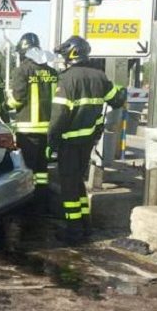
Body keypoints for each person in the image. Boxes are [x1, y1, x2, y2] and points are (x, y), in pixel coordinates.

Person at [48, 36, 126, 244]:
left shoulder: (67, 79)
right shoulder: (99, 76)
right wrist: (121, 89)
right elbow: (117, 100)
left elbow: (60, 115)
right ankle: (85, 224)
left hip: (69, 142)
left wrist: (51, 140)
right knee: (79, 183)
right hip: (88, 141)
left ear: (71, 55)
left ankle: (73, 231)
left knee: (69, 187)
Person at [7, 32, 58, 213]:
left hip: (27, 130)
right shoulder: (52, 72)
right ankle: (42, 204)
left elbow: (18, 99)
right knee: (42, 169)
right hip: (48, 129)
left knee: (28, 168)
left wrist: (6, 105)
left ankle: (27, 206)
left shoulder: (22, 70)